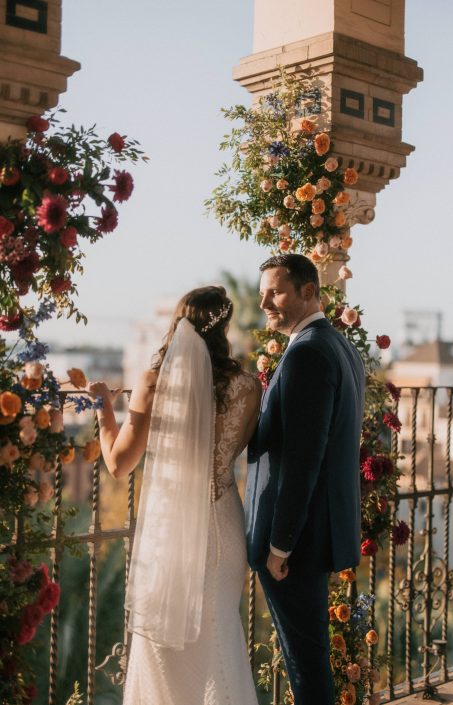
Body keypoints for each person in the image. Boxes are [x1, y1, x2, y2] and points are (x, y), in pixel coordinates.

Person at [88, 286, 261, 705]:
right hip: (224, 524)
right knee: (221, 634)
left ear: (180, 323)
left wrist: (101, 407)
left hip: (173, 529)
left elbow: (118, 464)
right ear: (224, 325)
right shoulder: (249, 386)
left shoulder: (154, 382)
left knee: (165, 643)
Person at [245, 254, 365, 705]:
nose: (265, 304)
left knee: (306, 665)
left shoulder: (309, 352)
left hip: (296, 543)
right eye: (262, 294)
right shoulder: (338, 345)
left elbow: (302, 460)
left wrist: (280, 545)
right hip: (316, 534)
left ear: (308, 291)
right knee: (309, 659)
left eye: (274, 292)